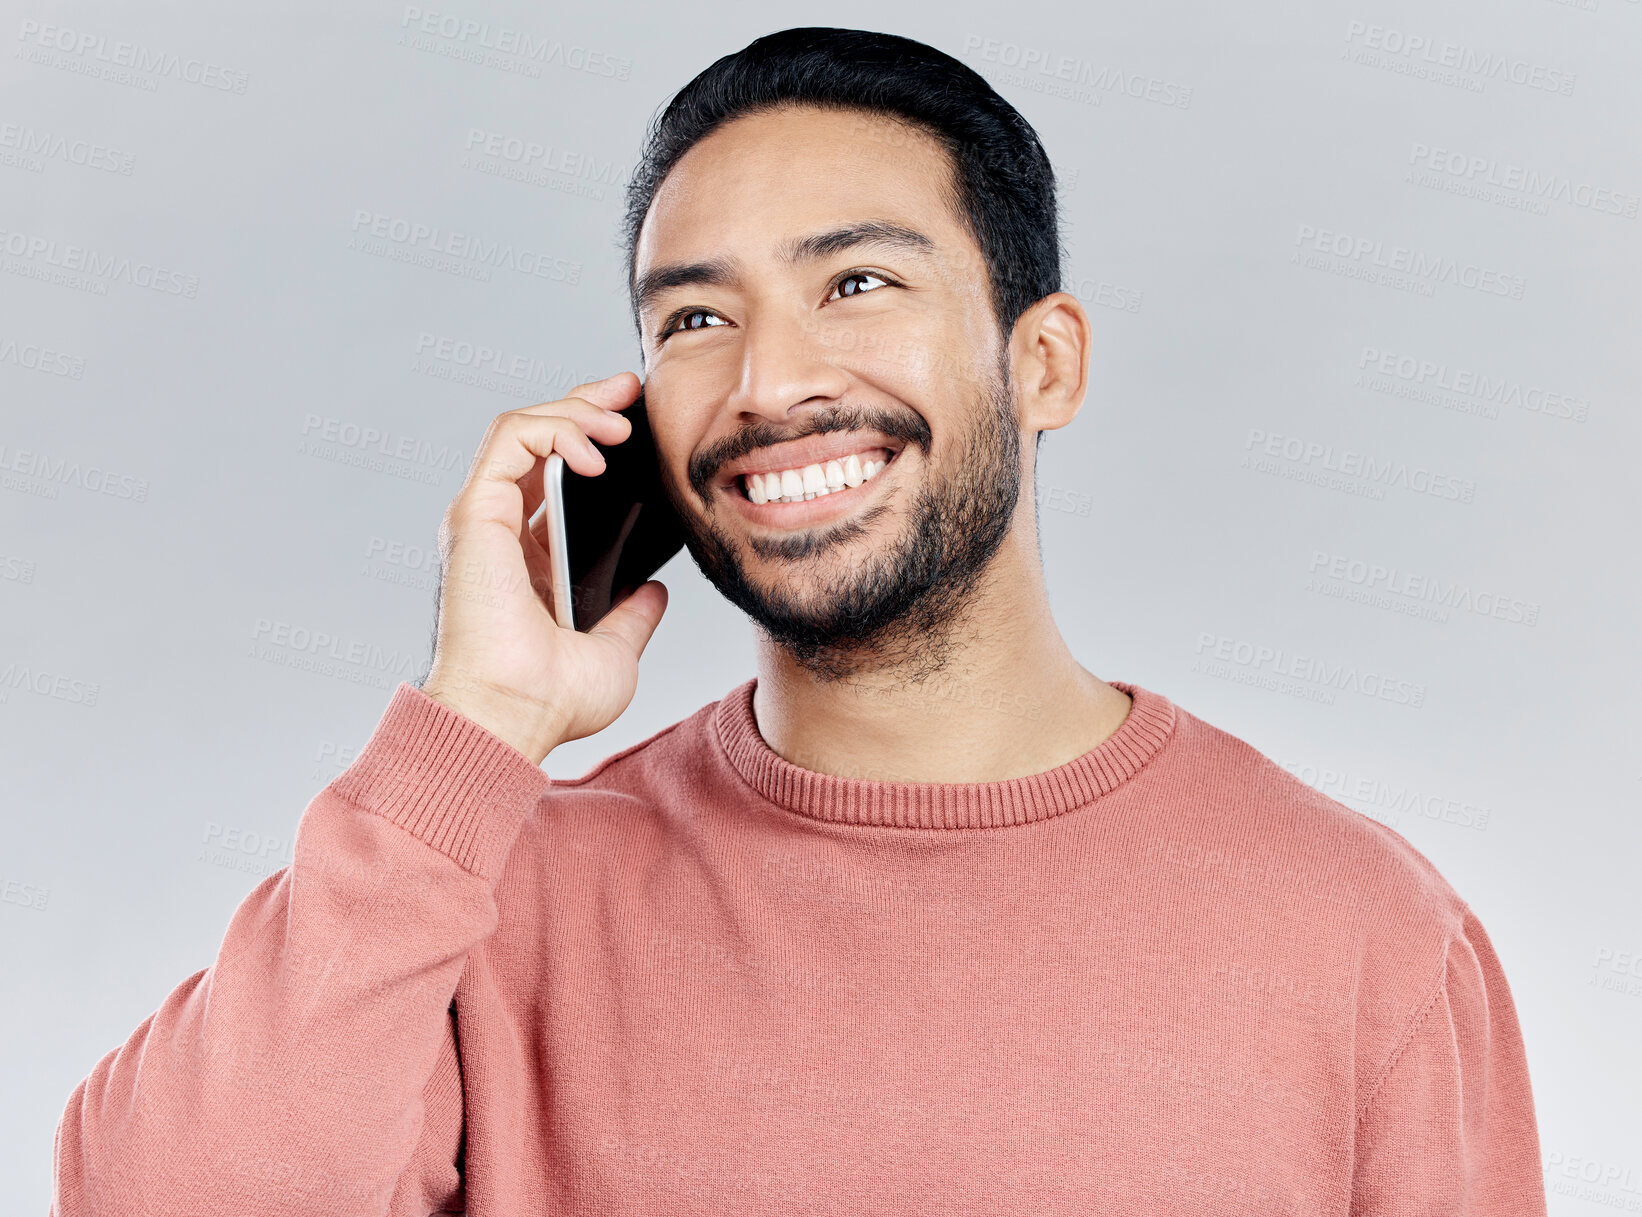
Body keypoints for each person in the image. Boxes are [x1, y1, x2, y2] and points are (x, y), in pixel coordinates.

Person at [52, 27, 1547, 1216]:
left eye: (857, 280)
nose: (768, 380)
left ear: (1045, 363)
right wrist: (475, 730)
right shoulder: (487, 897)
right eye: (694, 318)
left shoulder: (1363, 933)